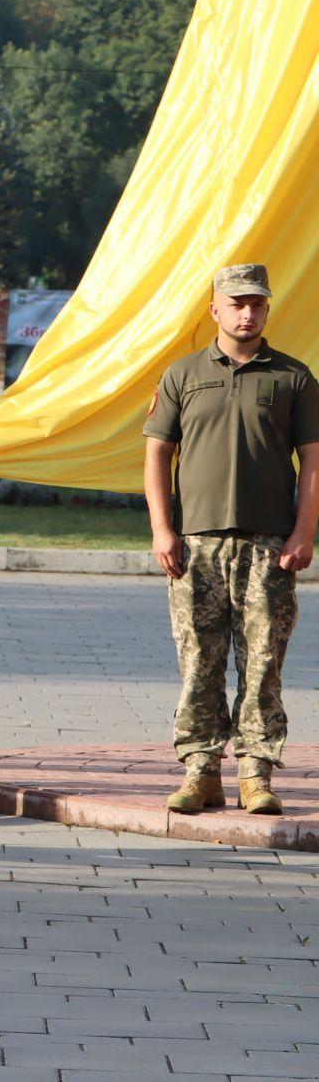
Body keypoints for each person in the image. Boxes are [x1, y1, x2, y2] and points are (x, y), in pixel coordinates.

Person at [144, 263, 318, 817]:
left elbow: (313, 461)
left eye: (257, 304)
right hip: (195, 545)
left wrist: (303, 532)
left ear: (267, 309)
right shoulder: (183, 374)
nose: (247, 313)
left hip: (270, 545)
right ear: (214, 309)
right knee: (199, 660)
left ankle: (255, 774)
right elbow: (156, 454)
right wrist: (162, 528)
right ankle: (200, 771)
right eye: (237, 303)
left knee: (264, 662)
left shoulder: (293, 378)